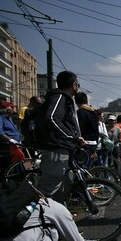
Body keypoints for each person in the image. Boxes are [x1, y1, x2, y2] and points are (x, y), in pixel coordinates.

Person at [36, 71, 85, 203]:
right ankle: (33, 218)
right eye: (77, 83)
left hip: (61, 149)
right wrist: (71, 137)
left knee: (64, 185)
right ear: (74, 85)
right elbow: (51, 118)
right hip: (55, 149)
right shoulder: (59, 97)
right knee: (47, 190)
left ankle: (53, 218)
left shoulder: (62, 98)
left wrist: (74, 138)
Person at [74, 92, 100, 163]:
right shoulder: (93, 113)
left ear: (76, 102)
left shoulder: (80, 113)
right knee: (88, 169)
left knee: (80, 167)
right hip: (93, 144)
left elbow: (80, 129)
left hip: (84, 144)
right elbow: (97, 131)